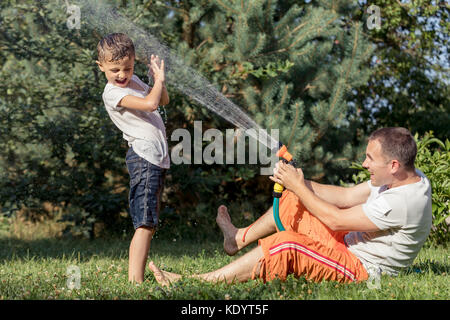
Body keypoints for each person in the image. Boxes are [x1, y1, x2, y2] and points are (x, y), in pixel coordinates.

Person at [148, 127, 432, 286]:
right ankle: (237, 239)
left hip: (362, 268)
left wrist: (297, 184)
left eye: (370, 158)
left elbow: (335, 219)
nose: (365, 163)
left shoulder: (402, 202)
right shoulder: (401, 177)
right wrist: (297, 180)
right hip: (346, 244)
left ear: (393, 165)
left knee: (287, 245)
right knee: (294, 199)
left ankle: (196, 282)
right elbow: (345, 197)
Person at [96, 33, 170, 283]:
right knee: (144, 222)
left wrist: (158, 80)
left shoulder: (134, 81)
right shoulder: (111, 94)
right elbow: (150, 105)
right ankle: (135, 282)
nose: (121, 74)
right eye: (114, 69)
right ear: (101, 67)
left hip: (155, 159)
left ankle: (136, 278)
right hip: (143, 158)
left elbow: (163, 100)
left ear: (134, 62)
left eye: (127, 68)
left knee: (149, 221)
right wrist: (157, 82)